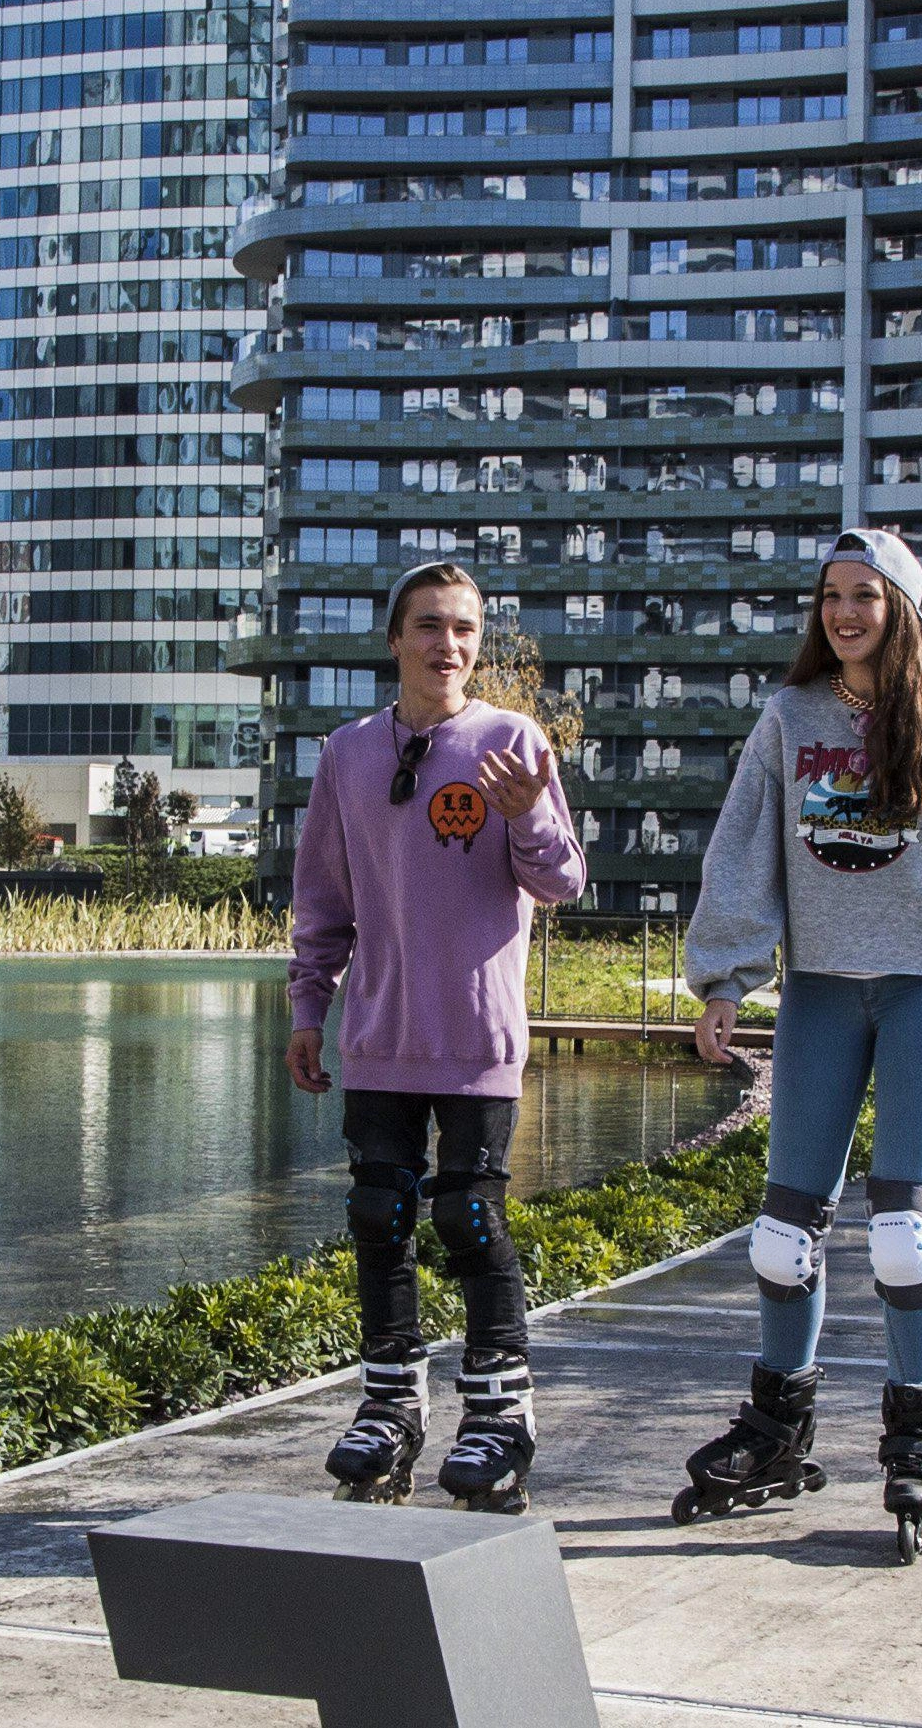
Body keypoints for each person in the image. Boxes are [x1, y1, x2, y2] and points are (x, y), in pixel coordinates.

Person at [673, 525, 922, 1559]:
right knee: (781, 1232)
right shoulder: (787, 717)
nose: (844, 612)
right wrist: (724, 977)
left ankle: (915, 1434)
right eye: (829, 596)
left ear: (902, 609)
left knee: (902, 1233)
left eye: (864, 594)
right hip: (818, 993)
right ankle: (776, 1427)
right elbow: (740, 852)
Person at [286, 561, 584, 1509]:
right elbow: (323, 900)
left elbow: (564, 880)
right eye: (428, 625)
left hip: (477, 1038)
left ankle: (499, 1413)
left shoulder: (512, 741)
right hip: (378, 1034)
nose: (447, 645)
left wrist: (527, 813)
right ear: (394, 638)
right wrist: (308, 1005)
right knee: (380, 1216)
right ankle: (390, 1406)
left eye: (462, 628)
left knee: (470, 1217)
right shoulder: (347, 753)